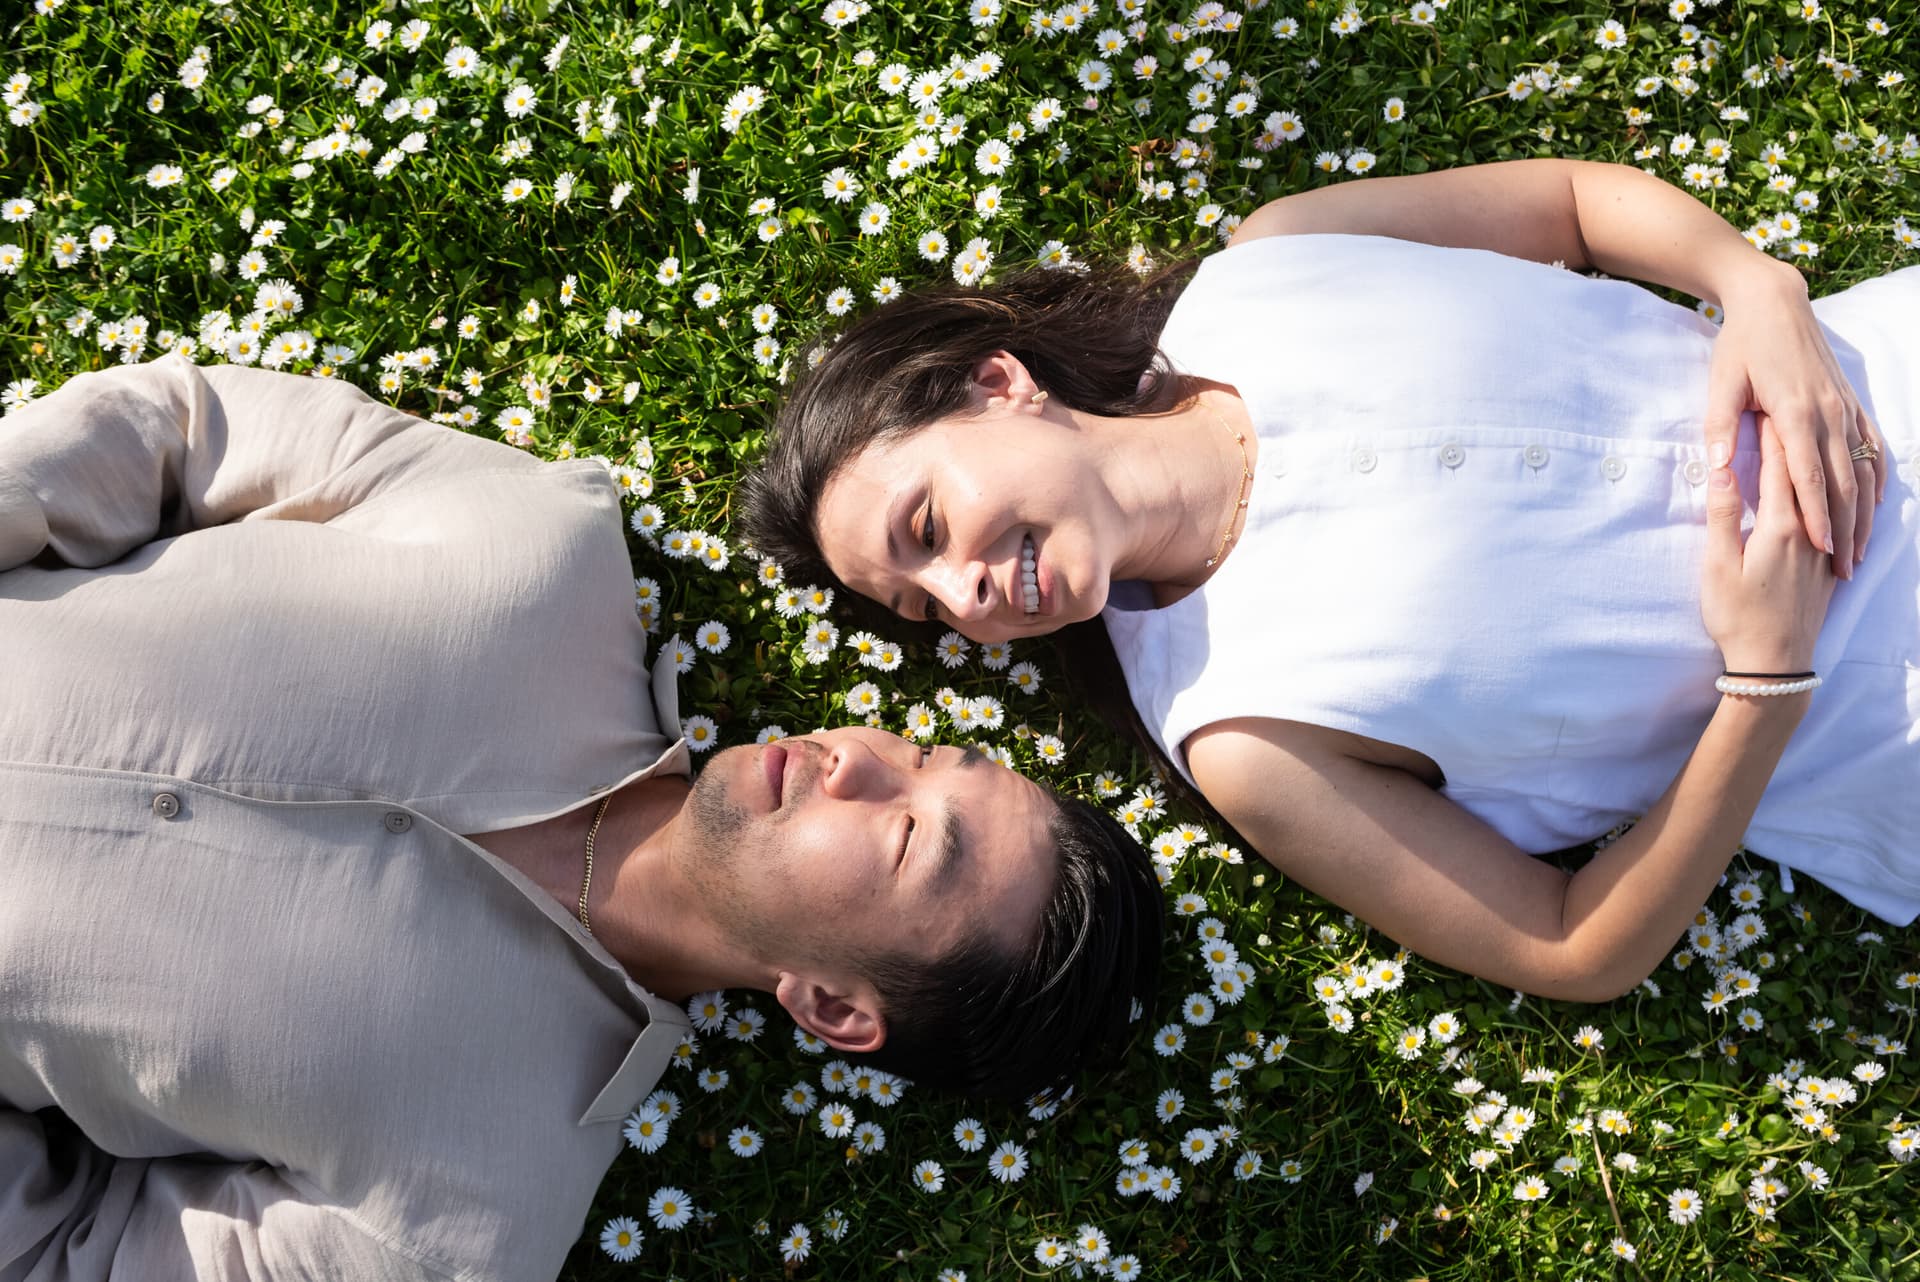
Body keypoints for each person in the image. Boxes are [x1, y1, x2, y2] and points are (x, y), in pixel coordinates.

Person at [0, 353, 1162, 1281]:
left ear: (833, 1008)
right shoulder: (539, 546)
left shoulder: (460, 1219)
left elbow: (65, 1257)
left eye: (911, 834)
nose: (859, 758)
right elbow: (182, 426)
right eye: (922, 754)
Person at [743, 156, 1918, 1005]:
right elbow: (1571, 948)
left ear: (998, 382)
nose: (963, 593)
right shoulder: (1247, 731)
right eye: (923, 603)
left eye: (930, 523)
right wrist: (1766, 680)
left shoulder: (1275, 262)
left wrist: (1759, 290)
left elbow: (1569, 204)